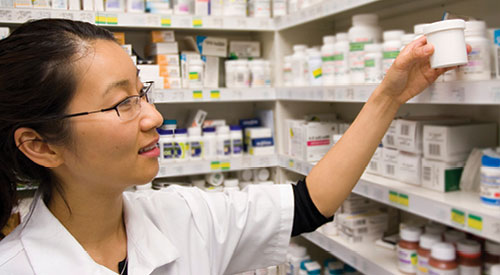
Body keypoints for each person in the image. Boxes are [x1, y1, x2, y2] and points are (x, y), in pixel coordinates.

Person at [0, 19, 464, 274]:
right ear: (39, 145)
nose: (154, 117)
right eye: (122, 103)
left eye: (143, 92)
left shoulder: (184, 216)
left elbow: (308, 204)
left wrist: (390, 94)